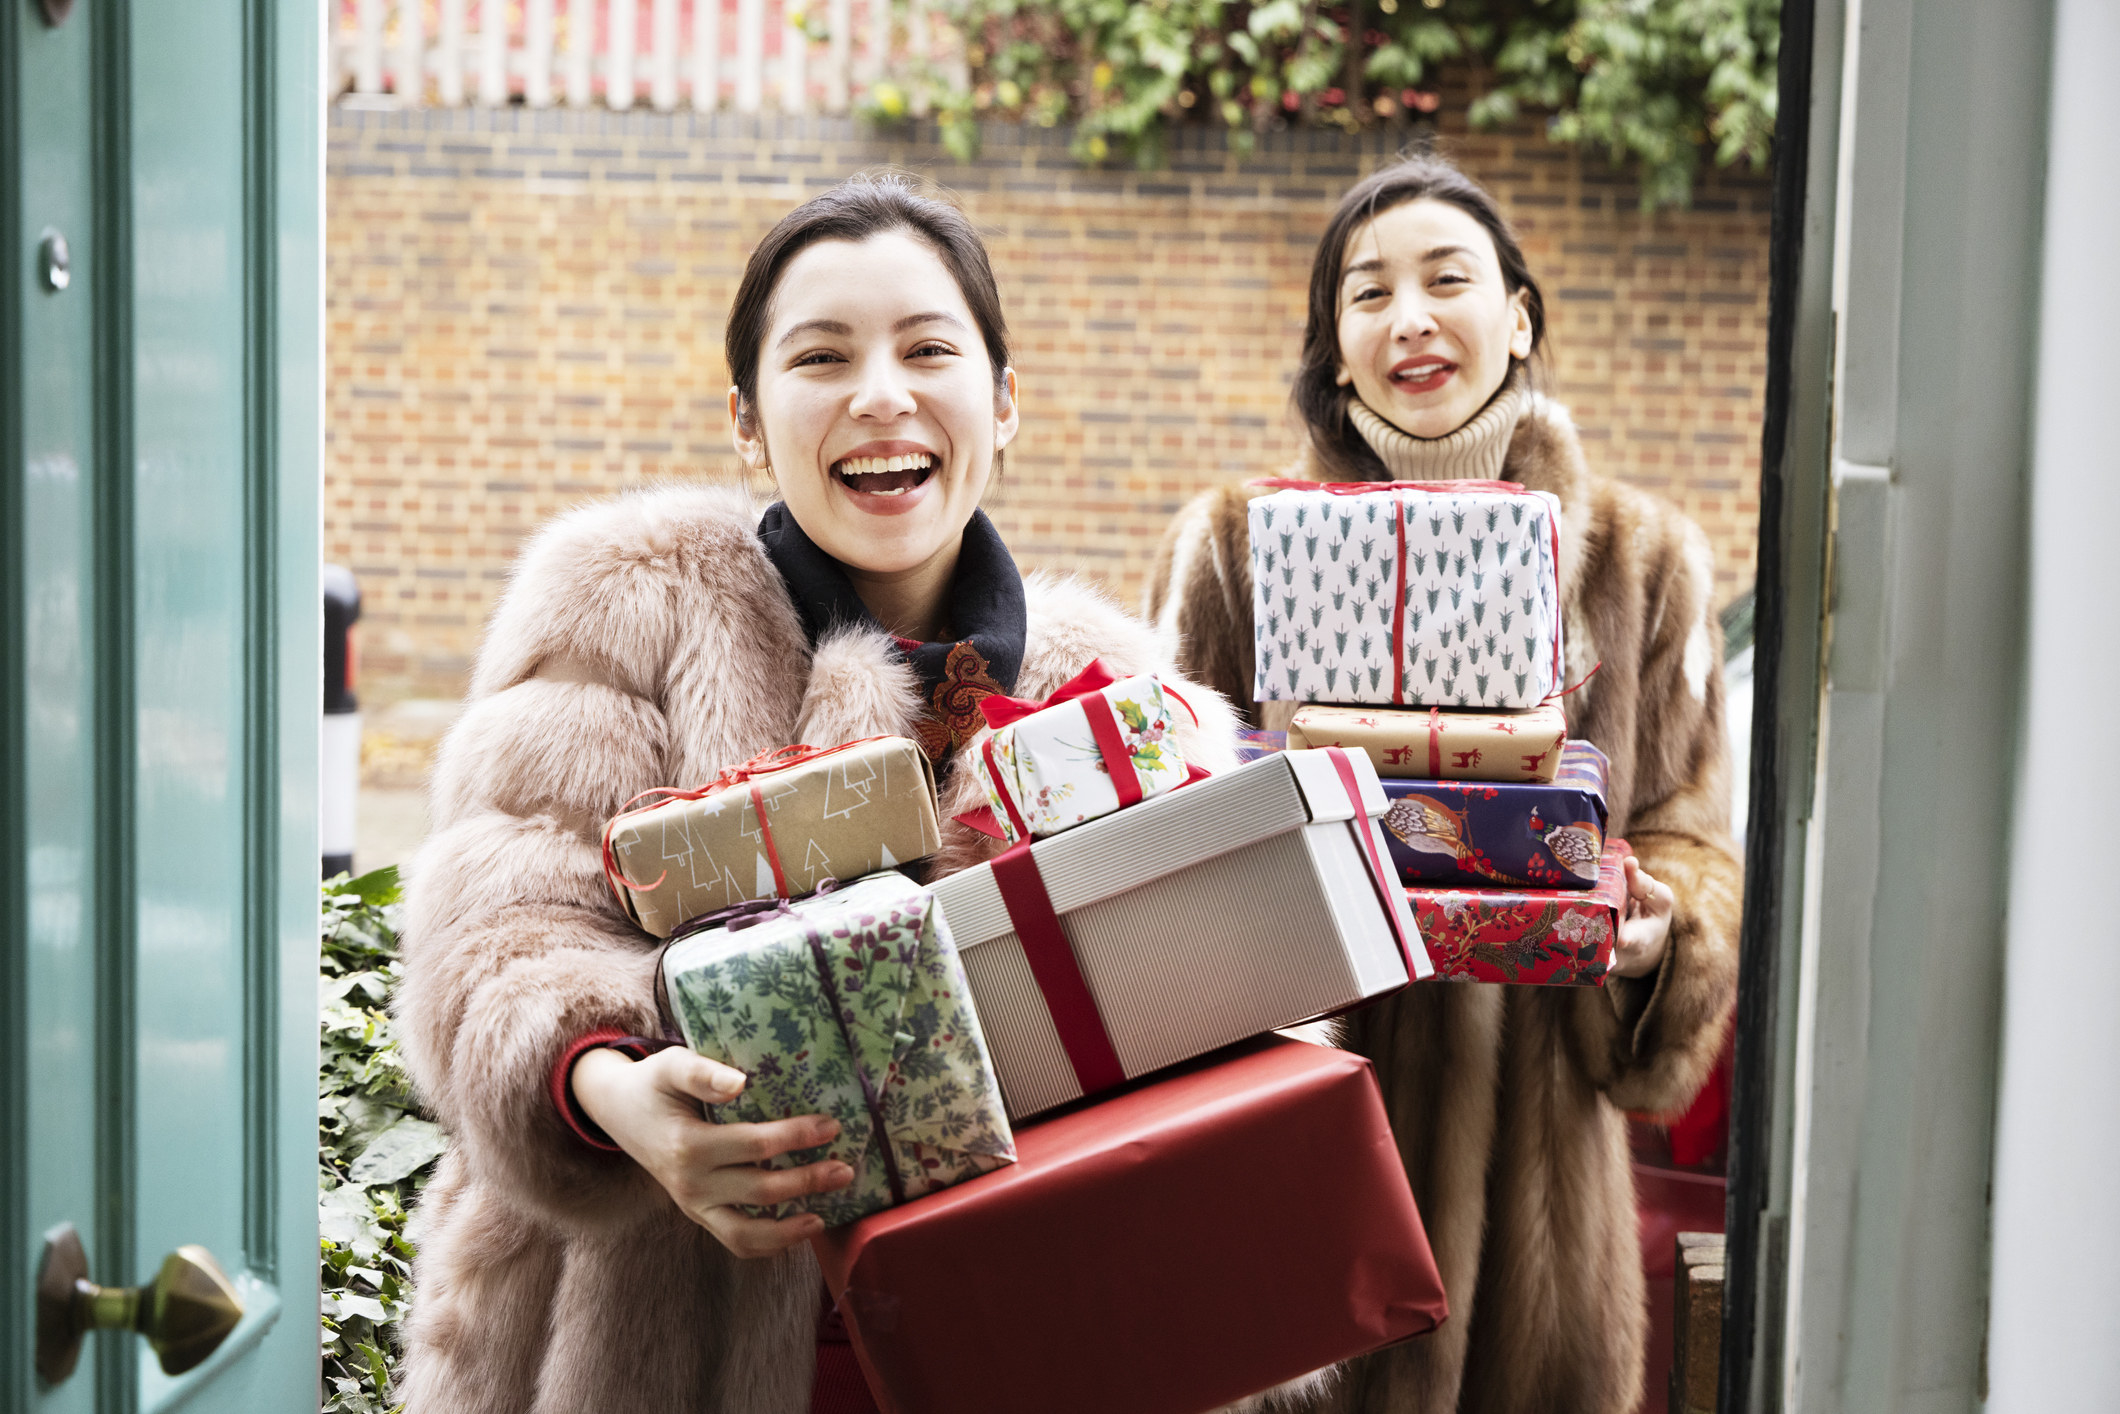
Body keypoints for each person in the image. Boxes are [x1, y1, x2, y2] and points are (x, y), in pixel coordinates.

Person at [392, 173, 1243, 1414]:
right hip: (644, 1346)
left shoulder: (1111, 695)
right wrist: (609, 1087)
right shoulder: (631, 601)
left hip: (1004, 1342)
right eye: (822, 355)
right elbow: (492, 938)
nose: (880, 394)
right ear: (749, 420)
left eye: (928, 348)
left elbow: (1210, 1015)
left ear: (1003, 403)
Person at [1145, 155, 1742, 1414]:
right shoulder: (1234, 554)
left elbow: (1688, 842)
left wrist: (1654, 930)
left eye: (1445, 279)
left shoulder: (1642, 565)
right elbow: (1154, 851)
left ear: (1516, 317)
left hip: (1540, 1230)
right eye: (1367, 294)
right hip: (1297, 1173)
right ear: (1336, 347)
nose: (1408, 316)